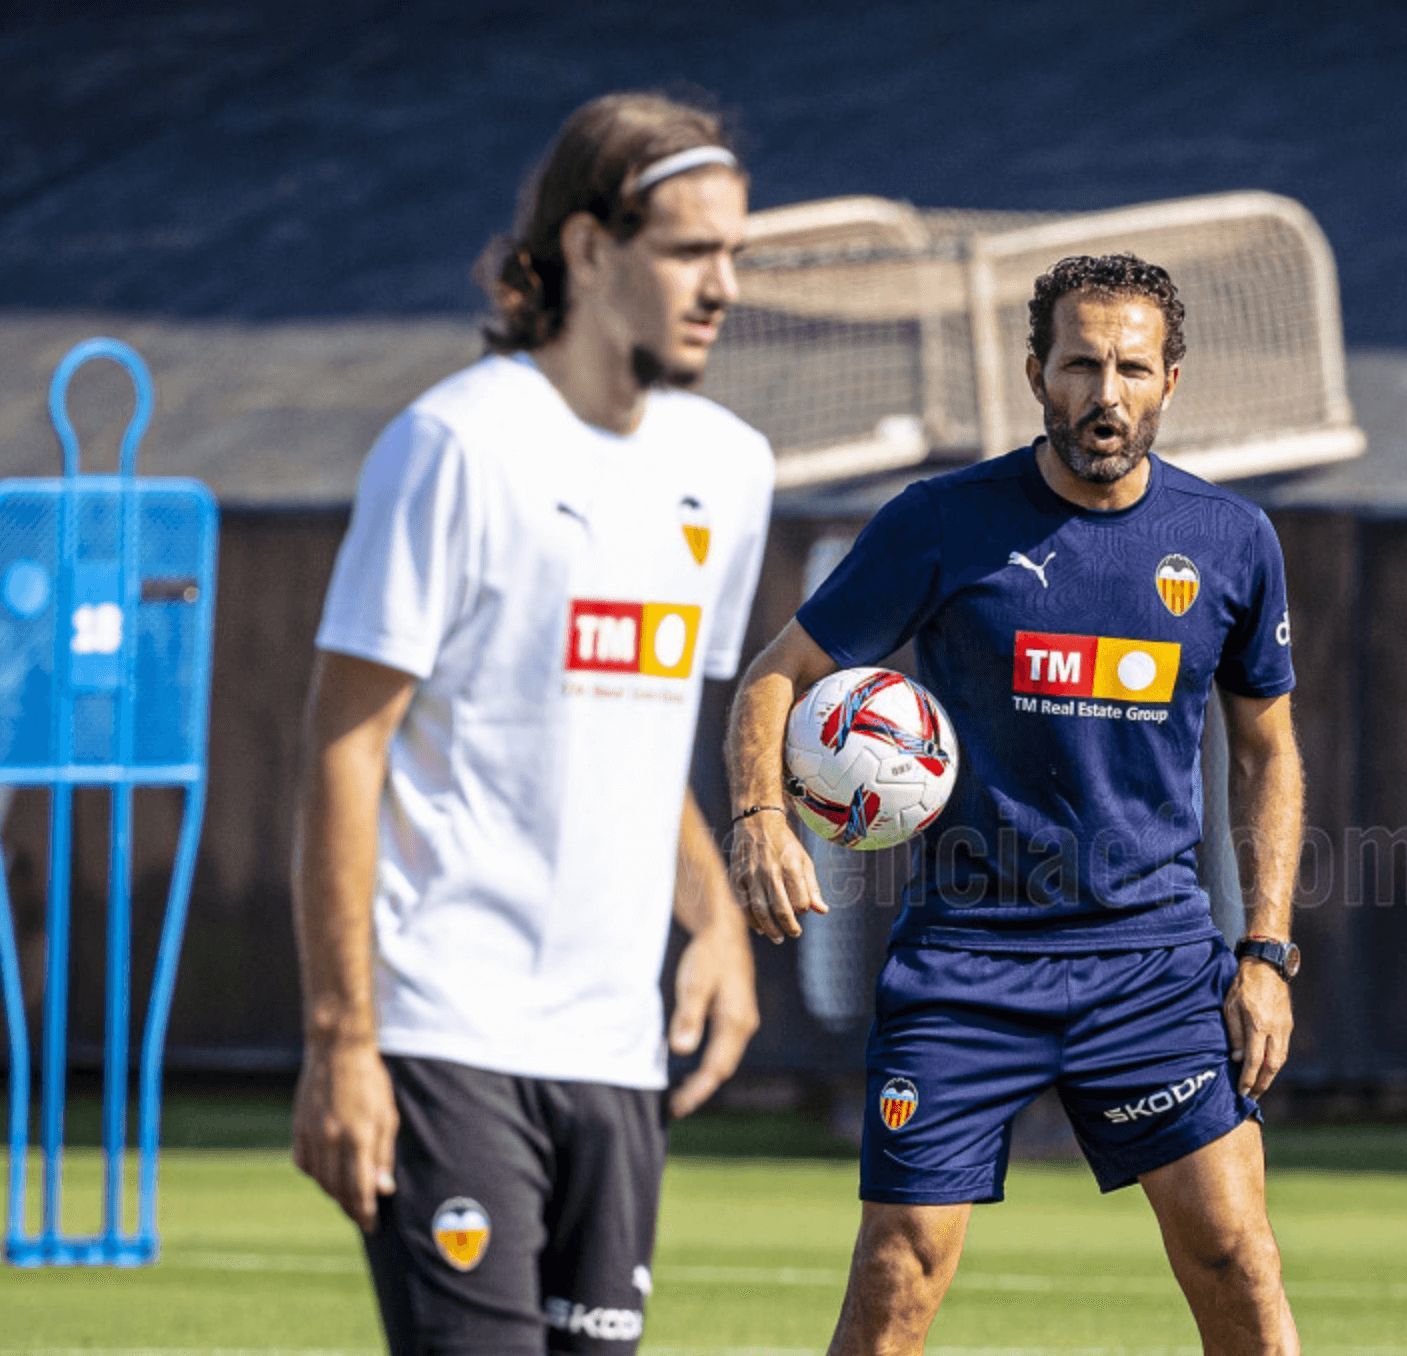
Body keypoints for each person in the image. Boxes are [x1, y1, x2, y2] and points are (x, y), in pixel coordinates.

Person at [726, 253, 1307, 1354]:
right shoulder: (941, 521)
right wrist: (762, 820)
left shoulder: (1232, 540)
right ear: (1036, 375)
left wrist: (1266, 954)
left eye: (1131, 368)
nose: (1105, 394)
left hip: (1151, 962)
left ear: (1171, 382)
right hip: (966, 960)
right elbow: (775, 676)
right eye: (1079, 365)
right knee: (897, 1270)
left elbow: (1267, 755)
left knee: (1237, 1257)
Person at [291, 91, 771, 1354]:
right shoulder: (452, 445)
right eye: (689, 251)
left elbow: (634, 744)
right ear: (588, 248)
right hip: (444, 1030)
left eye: (733, 252)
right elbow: (344, 749)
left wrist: (714, 922)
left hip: (616, 1051)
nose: (721, 286)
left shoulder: (729, 468)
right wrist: (342, 1041)